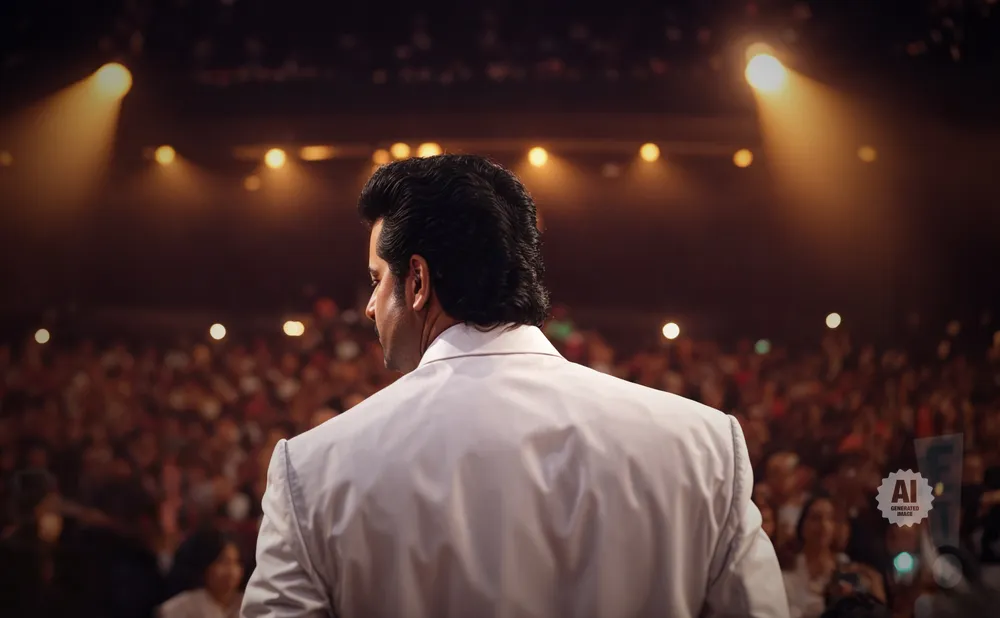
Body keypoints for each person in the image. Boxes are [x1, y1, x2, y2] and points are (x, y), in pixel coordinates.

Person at [242, 154, 788, 617]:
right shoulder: (705, 445)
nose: (367, 306)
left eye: (374, 281)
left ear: (416, 282)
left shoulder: (312, 470)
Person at [160, 527, 244, 618]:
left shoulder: (249, 603)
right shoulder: (180, 609)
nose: (231, 570)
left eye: (235, 562)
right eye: (223, 562)